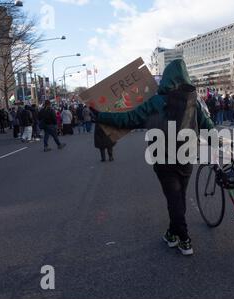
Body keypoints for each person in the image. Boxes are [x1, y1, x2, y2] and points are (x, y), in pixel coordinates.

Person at [92, 60, 214, 256]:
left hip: (163, 156)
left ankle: (184, 239)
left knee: (174, 198)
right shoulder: (194, 101)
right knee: (179, 196)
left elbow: (127, 119)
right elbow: (209, 128)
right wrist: (220, 145)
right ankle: (172, 234)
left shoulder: (156, 101)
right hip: (187, 155)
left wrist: (102, 116)